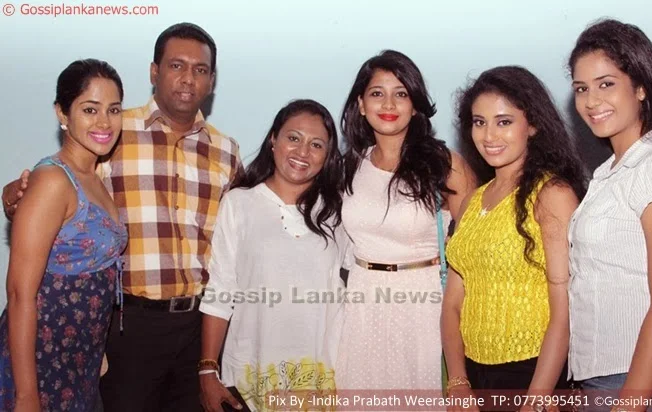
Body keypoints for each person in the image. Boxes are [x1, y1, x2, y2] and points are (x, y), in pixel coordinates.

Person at [2, 22, 243, 412]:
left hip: (196, 327)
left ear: (212, 80)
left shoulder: (227, 151)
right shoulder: (111, 131)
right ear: (154, 72)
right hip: (127, 327)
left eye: (200, 69)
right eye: (176, 65)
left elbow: (240, 233)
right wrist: (16, 193)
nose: (188, 78)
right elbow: (58, 186)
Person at [567, 18, 652, 410]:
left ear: (641, 87)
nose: (591, 101)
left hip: (643, 383)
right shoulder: (607, 173)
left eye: (606, 84)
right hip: (604, 378)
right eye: (581, 88)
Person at [441, 66, 586, 410]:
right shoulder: (473, 200)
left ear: (532, 125)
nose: (489, 135)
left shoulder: (551, 195)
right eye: (479, 122)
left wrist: (537, 397)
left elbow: (564, 311)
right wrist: (458, 382)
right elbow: (452, 304)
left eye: (504, 121)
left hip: (535, 374)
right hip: (473, 377)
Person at [334, 49, 475, 395]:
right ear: (361, 104)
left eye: (401, 93)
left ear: (415, 105)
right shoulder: (348, 167)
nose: (389, 104)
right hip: (363, 303)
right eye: (377, 93)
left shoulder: (445, 165)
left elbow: (475, 247)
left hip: (424, 305)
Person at [198, 99, 350, 412]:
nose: (303, 152)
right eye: (293, 138)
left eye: (316, 145)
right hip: (248, 378)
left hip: (320, 381)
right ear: (273, 140)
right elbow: (220, 291)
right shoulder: (240, 203)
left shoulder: (338, 213)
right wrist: (207, 370)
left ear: (327, 156)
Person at [0, 59, 127, 411]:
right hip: (41, 363)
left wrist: (96, 350)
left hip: (80, 363)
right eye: (90, 109)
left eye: (113, 109)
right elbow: (20, 293)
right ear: (62, 113)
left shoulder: (94, 179)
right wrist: (26, 396)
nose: (104, 122)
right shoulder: (53, 180)